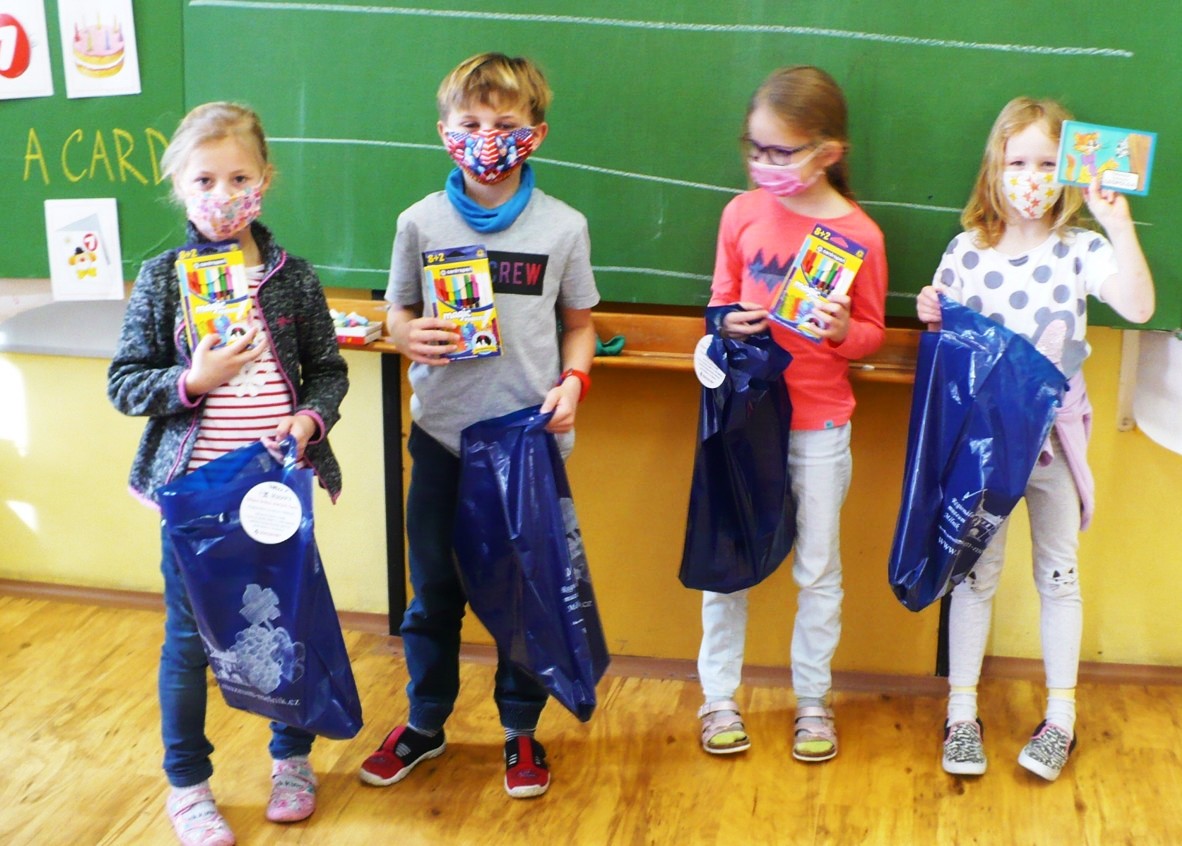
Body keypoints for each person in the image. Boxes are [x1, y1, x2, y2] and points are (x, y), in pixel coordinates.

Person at [358, 52, 599, 799]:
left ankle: (520, 730)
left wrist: (575, 381)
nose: (487, 138)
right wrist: (403, 332)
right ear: (444, 132)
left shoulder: (563, 226)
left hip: (525, 445)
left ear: (536, 133)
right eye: (470, 123)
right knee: (433, 592)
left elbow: (581, 324)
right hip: (441, 438)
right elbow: (396, 310)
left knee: (523, 594)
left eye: (505, 124)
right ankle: (425, 723)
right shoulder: (419, 222)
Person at [107, 102, 349, 845]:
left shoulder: (292, 278)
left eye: (239, 178)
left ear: (265, 180)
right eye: (204, 179)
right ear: (179, 186)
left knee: (287, 621)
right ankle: (187, 786)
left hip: (274, 490)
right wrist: (193, 379)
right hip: (194, 500)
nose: (222, 194)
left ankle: (291, 760)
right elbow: (125, 383)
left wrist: (308, 422)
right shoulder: (162, 279)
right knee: (190, 641)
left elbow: (328, 373)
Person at [916, 97, 1154, 781]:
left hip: (1053, 440)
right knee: (974, 575)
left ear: (1070, 170)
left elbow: (1138, 306)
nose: (1030, 176)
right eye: (1016, 161)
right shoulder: (967, 252)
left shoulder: (1081, 249)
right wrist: (932, 313)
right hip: (986, 448)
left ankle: (1061, 719)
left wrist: (1117, 222)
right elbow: (949, 345)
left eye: (1047, 164)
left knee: (1058, 575)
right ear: (994, 168)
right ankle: (962, 712)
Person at [696, 66, 887, 761]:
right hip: (745, 417)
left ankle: (813, 701)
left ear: (828, 152)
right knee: (728, 561)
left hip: (818, 423)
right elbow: (717, 301)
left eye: (782, 151)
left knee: (819, 570)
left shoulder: (860, 234)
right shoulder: (741, 214)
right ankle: (719, 697)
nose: (765, 163)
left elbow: (872, 334)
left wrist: (842, 331)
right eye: (756, 148)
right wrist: (727, 320)